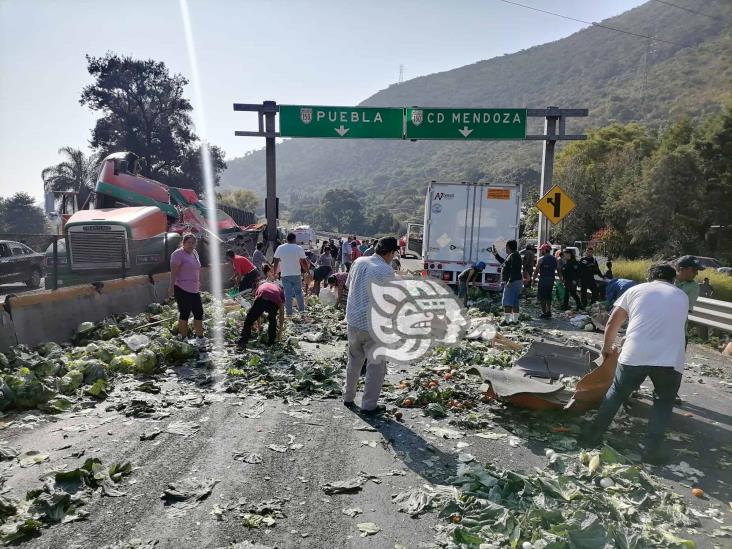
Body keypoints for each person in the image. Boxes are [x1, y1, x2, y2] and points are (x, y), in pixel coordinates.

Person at [579, 264, 688, 464]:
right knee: (663, 402)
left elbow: (613, 322)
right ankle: (652, 452)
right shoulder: (681, 296)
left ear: (650, 277)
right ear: (674, 280)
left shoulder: (635, 290)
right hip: (671, 358)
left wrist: (607, 348)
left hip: (636, 353)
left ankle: (591, 437)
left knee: (617, 393)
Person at [343, 237, 399, 415]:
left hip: (353, 320)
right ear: (390, 252)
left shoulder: (359, 262)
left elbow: (347, 285)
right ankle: (368, 405)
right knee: (376, 366)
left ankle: (348, 396)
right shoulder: (385, 270)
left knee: (354, 359)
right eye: (393, 253)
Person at [168, 233, 206, 347]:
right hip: (182, 288)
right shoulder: (178, 254)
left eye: (193, 243)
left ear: (195, 244)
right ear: (183, 243)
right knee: (185, 313)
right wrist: (171, 286)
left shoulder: (195, 253)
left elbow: (198, 269)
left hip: (194, 289)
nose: (191, 245)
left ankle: (200, 337)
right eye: (188, 242)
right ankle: (184, 338)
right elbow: (173, 271)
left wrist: (200, 281)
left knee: (199, 313)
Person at [237, 279, 285, 349]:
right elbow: (282, 313)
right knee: (272, 321)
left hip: (261, 299)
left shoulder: (260, 287)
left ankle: (243, 341)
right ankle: (271, 342)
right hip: (273, 303)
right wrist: (280, 331)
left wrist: (259, 327)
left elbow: (257, 311)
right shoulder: (280, 290)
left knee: (249, 320)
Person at [273, 232, 308, 316]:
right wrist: (307, 271)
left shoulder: (280, 248)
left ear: (287, 239)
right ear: (294, 239)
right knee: (298, 293)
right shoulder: (298, 248)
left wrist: (275, 272)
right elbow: (303, 262)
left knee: (287, 294)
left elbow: (276, 261)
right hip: (296, 274)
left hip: (285, 274)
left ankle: (289, 313)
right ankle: (302, 311)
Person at [493, 240, 523, 323]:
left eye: (506, 247)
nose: (505, 249)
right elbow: (505, 264)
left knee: (507, 301)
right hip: (515, 281)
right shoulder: (513, 255)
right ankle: (515, 321)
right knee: (514, 301)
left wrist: (510, 281)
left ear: (508, 247)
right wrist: (496, 255)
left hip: (513, 282)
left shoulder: (514, 255)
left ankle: (506, 321)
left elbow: (515, 269)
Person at [533, 243, 557, 319]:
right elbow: (558, 268)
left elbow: (536, 270)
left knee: (543, 297)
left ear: (544, 250)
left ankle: (544, 312)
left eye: (541, 250)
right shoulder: (554, 259)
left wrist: (533, 280)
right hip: (551, 280)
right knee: (548, 296)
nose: (541, 251)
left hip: (543, 280)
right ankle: (549, 311)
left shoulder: (541, 259)